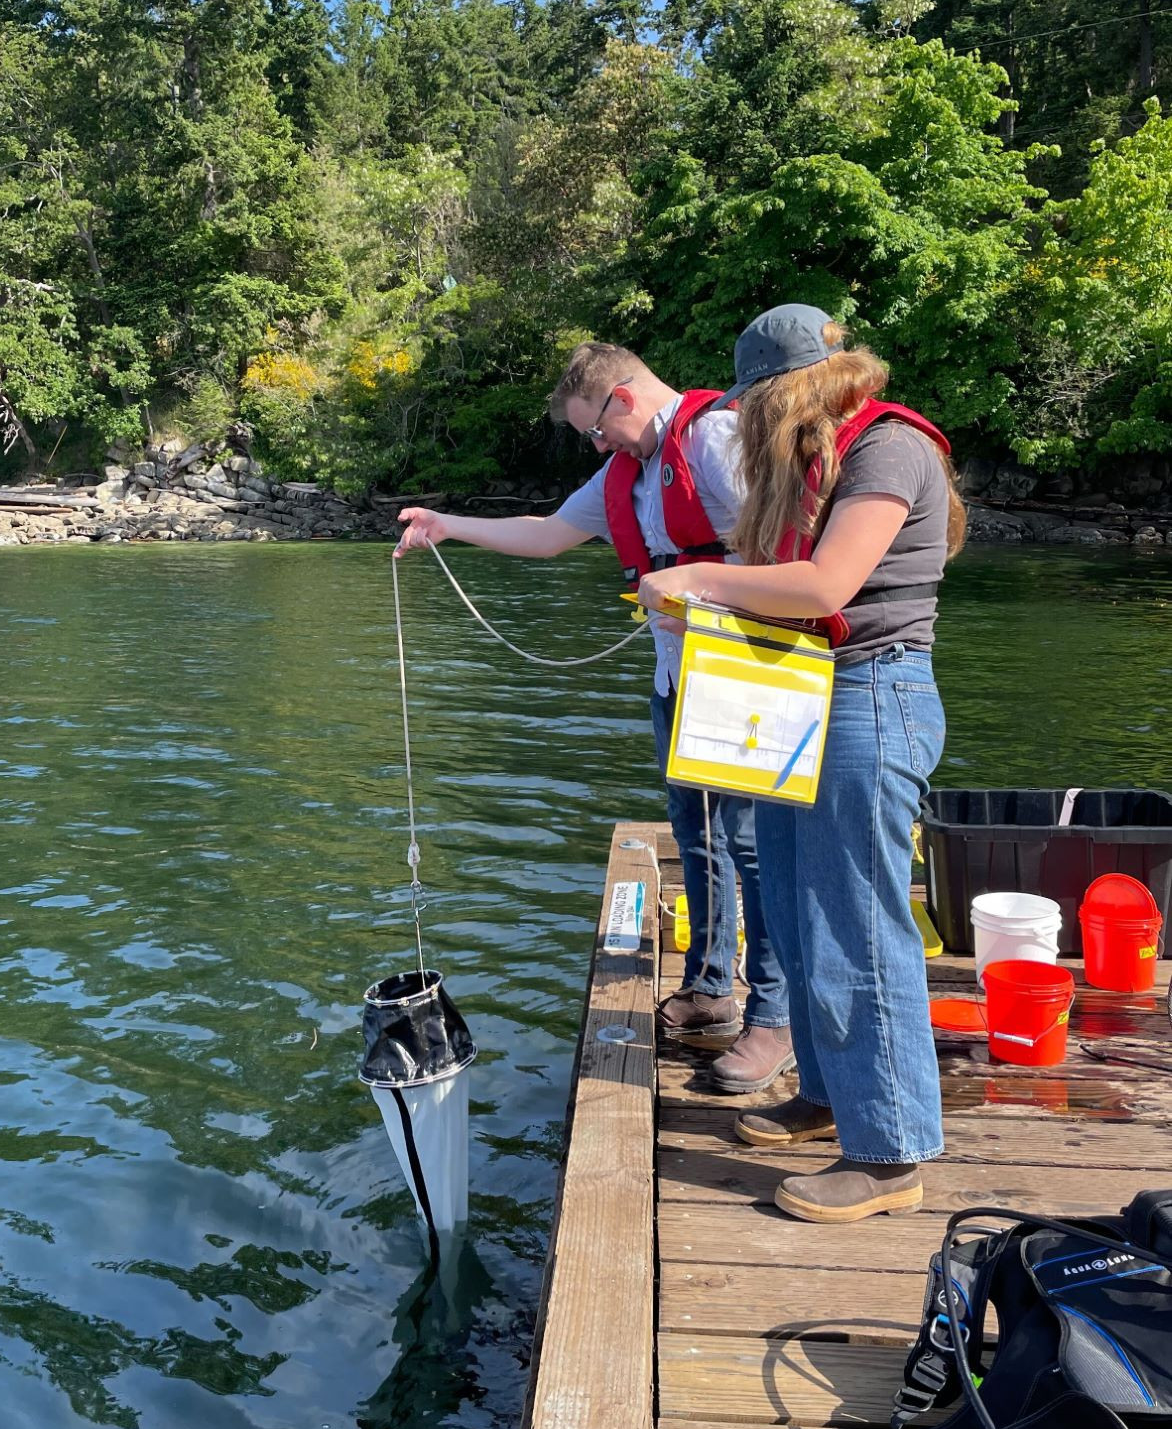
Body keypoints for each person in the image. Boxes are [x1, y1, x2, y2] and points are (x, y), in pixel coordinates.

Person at [639, 303, 967, 1224]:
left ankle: (890, 1149)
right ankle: (826, 1095)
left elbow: (828, 586)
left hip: (872, 697)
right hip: (800, 697)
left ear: (796, 387)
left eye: (755, 402)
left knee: (858, 927)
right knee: (790, 904)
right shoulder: (812, 457)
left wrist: (698, 579)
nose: (747, 421)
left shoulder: (890, 449)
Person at [394, 341, 791, 1093]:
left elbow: (784, 546)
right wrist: (447, 525)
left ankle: (774, 1016)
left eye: (595, 431)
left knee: (752, 846)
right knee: (697, 835)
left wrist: (704, 595)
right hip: (680, 682)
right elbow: (547, 533)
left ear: (622, 399)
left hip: (747, 678)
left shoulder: (716, 440)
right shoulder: (628, 470)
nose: (596, 445)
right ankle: (710, 991)